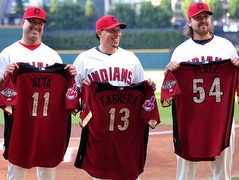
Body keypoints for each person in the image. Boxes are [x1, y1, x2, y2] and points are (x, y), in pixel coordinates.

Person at [73, 15, 159, 180]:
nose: (117, 34)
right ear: (100, 33)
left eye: (119, 31)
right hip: (98, 131)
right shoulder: (84, 59)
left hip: (126, 131)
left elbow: (142, 88)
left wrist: (149, 87)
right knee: (101, 174)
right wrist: (82, 91)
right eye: (112, 30)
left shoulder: (131, 58)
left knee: (129, 173)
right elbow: (73, 93)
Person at [163, 2, 239, 180]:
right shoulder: (181, 52)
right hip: (190, 123)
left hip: (221, 121)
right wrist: (168, 73)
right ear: (189, 22)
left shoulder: (226, 46)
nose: (203, 21)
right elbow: (168, 95)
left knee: (223, 176)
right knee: (185, 175)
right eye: (198, 18)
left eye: (205, 16)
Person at [0, 6, 77, 180]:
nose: (36, 26)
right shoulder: (8, 54)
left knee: (47, 172)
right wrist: (5, 77)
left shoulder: (52, 56)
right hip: (19, 122)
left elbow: (62, 91)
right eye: (32, 22)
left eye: (40, 23)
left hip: (48, 122)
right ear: (22, 23)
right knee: (16, 172)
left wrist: (70, 75)